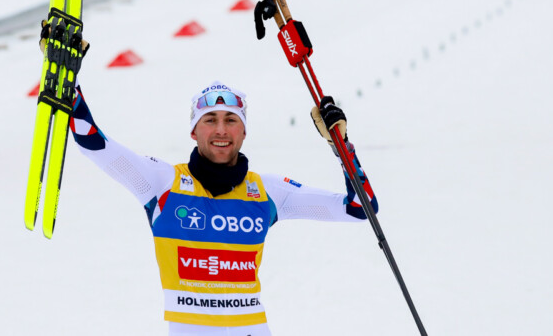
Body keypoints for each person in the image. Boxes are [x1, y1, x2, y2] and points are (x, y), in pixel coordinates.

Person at [69, 80, 378, 336]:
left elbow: (359, 208)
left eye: (231, 120)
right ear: (193, 131)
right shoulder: (162, 183)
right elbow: (93, 143)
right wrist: (71, 84)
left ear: (243, 132)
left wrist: (342, 146)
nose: (221, 130)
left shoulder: (267, 191)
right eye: (210, 120)